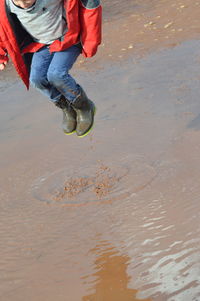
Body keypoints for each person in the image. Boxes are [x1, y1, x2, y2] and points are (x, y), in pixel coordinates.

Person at [0, 0, 102, 137]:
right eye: (22, 3)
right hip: (40, 44)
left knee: (56, 74)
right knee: (36, 79)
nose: (26, 5)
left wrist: (90, 41)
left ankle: (83, 106)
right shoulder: (5, 5)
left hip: (67, 39)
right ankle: (66, 107)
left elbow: (90, 7)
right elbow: (2, 27)